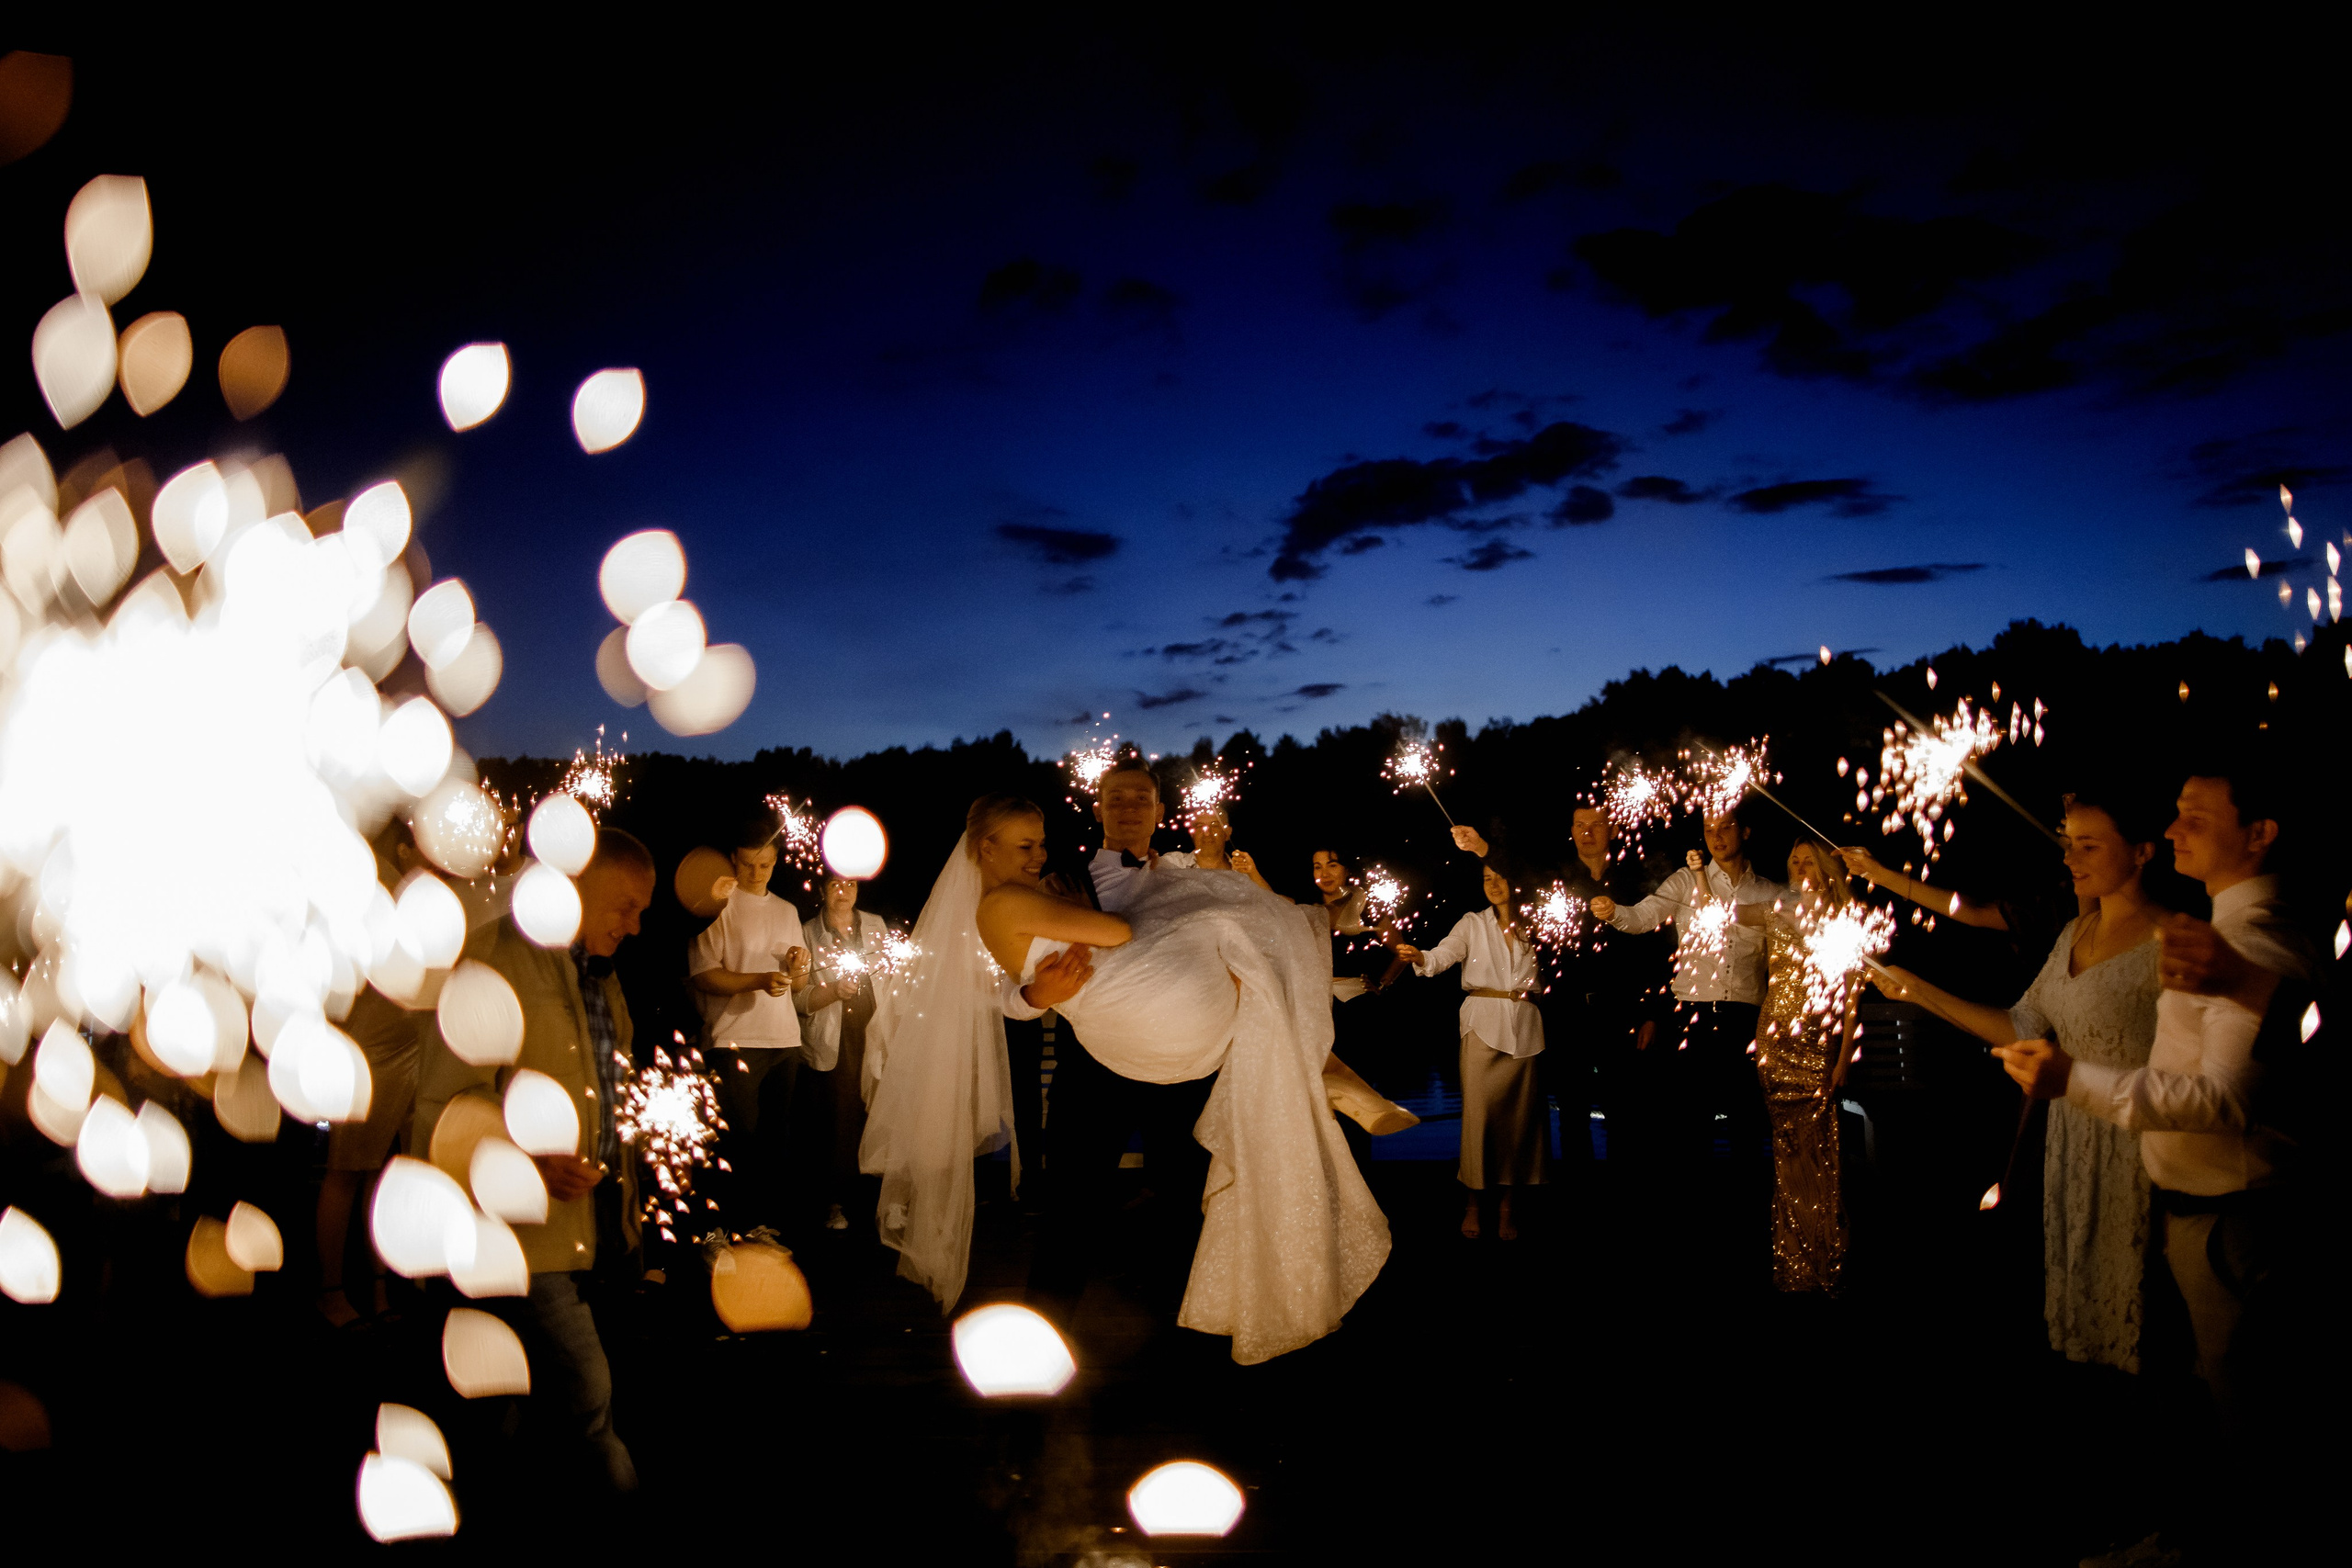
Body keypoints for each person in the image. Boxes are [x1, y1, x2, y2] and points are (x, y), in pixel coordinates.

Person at [866, 790, 1390, 1364]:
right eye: (1117, 796)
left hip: (1184, 1068)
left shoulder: (1187, 870)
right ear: (1099, 811)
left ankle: (1193, 1341)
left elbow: (1222, 913)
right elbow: (996, 986)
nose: (1130, 806)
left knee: (1189, 1201)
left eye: (1143, 796)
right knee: (1071, 1212)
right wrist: (1032, 995)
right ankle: (1040, 1345)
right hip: (1096, 1068)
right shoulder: (1064, 879)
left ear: (1161, 810)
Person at [1994, 767, 2316, 1409]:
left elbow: (2226, 1100)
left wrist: (2073, 1079)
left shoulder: (2252, 940)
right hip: (2193, 1215)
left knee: (2248, 1412)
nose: (2172, 829)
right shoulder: (2215, 933)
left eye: (2195, 817)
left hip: (2236, 1225)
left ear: (2260, 833)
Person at [1874, 784, 2165, 1372]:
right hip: (2070, 1143)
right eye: (2067, 845)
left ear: (2142, 852)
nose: (2069, 859)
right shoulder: (2071, 936)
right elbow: (2021, 1025)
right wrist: (1917, 989)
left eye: (2088, 846)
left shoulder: (2173, 940)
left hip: (2139, 1146)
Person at [411, 827, 656, 1494]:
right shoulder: (495, 960)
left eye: (642, 911)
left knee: (507, 1410)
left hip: (589, 1233)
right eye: (624, 906)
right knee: (586, 1399)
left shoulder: (602, 981)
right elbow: (445, 1105)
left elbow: (609, 1096)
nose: (634, 927)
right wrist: (526, 1164)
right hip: (515, 1238)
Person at [1590, 807, 1786, 1218]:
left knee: (1745, 1123)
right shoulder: (1683, 880)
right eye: (1709, 829)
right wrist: (1614, 913)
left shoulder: (1770, 891)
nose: (1716, 836)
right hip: (1692, 1014)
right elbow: (1642, 917)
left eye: (1726, 827)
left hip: (1746, 1017)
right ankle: (1693, 1216)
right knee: (1689, 1124)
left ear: (1745, 831)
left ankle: (1748, 1214)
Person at [1395, 844, 1547, 1239]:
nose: (1493, 885)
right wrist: (1420, 958)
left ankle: (1508, 1207)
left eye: (1500, 877)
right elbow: (1444, 954)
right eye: (1486, 879)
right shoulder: (1471, 924)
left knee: (1519, 1125)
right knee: (1478, 1123)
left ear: (1516, 880)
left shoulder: (1540, 922)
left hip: (1526, 1027)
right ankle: (1474, 1204)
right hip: (1482, 1025)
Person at [1737, 842, 1860, 1293]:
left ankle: (1824, 1250)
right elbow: (1728, 911)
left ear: (1827, 870)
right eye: (1794, 860)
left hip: (1815, 1041)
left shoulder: (1844, 921)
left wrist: (1844, 1055)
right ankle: (1793, 1258)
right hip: (1774, 1038)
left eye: (1809, 860)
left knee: (1818, 1146)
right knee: (1787, 1146)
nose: (1800, 867)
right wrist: (1696, 882)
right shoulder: (1776, 907)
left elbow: (1851, 994)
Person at [688, 817, 814, 1227]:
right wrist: (759, 980)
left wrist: (798, 966)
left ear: (776, 861)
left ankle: (758, 1229)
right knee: (734, 1142)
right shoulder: (715, 906)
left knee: (774, 1146)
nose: (756, 873)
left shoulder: (788, 910)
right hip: (733, 1040)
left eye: (764, 865)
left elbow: (800, 984)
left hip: (784, 1040)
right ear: (732, 860)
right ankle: (716, 1233)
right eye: (747, 865)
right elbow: (704, 974)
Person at [799, 875, 888, 1233]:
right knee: (839, 1119)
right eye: (835, 884)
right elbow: (799, 999)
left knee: (879, 1113)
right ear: (821, 890)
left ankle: (883, 1199)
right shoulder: (807, 932)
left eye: (851, 884)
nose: (844, 892)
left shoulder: (875, 926)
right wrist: (835, 991)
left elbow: (893, 980)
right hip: (836, 1038)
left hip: (874, 1030)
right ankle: (835, 1201)